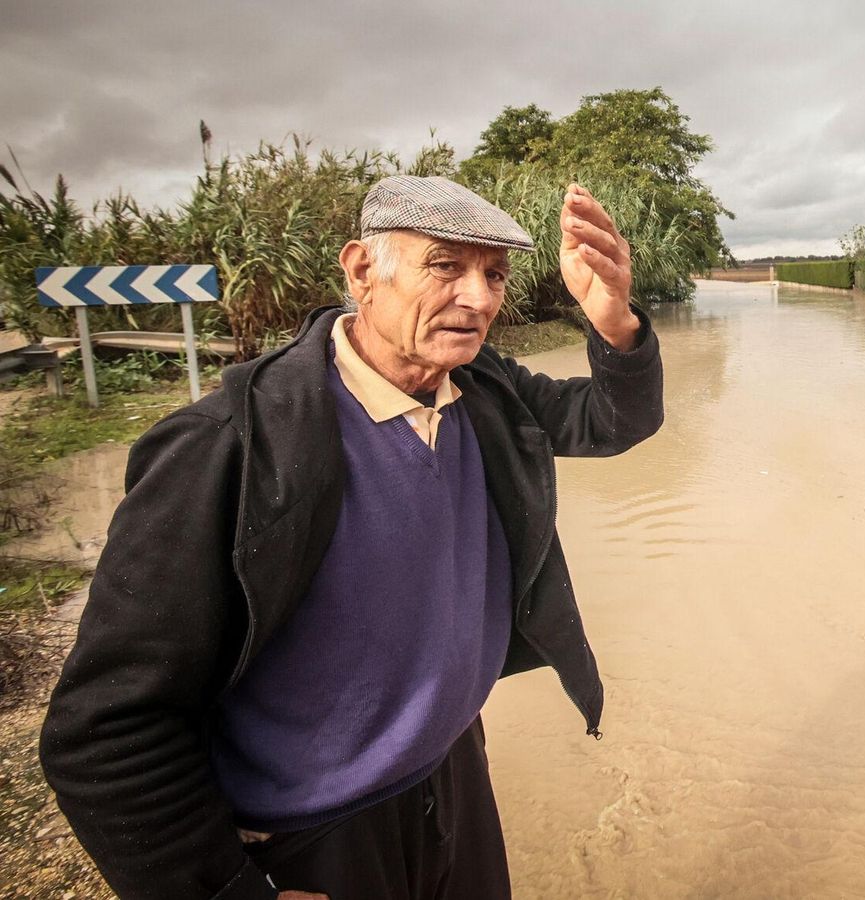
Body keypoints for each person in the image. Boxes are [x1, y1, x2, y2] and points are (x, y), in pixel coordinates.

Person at [38, 175, 664, 899]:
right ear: (362, 269)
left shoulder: (483, 389)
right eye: (446, 266)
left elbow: (611, 423)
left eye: (493, 275)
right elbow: (105, 727)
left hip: (453, 774)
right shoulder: (229, 448)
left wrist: (615, 321)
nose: (480, 298)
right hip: (314, 836)